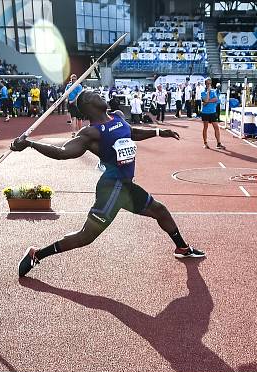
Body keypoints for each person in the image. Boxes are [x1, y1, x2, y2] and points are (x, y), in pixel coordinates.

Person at [11, 90, 205, 278]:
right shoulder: (90, 133)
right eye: (93, 94)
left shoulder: (117, 117)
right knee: (86, 236)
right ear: (88, 105)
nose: (100, 95)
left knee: (160, 211)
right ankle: (36, 254)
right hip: (111, 189)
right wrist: (30, 144)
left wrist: (157, 131)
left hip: (126, 187)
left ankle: (182, 247)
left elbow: (131, 133)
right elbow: (62, 153)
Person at [200, 78, 225, 149]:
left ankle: (218, 143)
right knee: (205, 127)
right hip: (205, 113)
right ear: (205, 84)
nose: (209, 85)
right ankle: (205, 143)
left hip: (213, 112)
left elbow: (216, 99)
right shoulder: (203, 92)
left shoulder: (214, 91)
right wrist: (208, 93)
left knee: (216, 127)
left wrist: (207, 101)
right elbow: (205, 102)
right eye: (208, 83)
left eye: (210, 83)